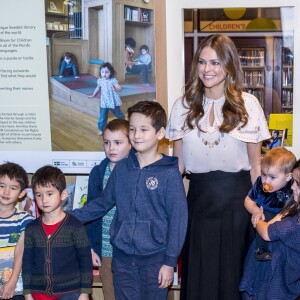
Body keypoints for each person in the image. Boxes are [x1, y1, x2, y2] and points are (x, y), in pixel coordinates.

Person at [166, 33, 270, 300]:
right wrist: (167, 207)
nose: (207, 69)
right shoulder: (182, 106)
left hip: (239, 203)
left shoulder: (249, 105)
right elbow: (178, 166)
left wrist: (260, 210)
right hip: (198, 203)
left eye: (214, 63)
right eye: (202, 62)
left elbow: (256, 168)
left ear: (229, 65)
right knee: (199, 276)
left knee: (232, 280)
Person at [71, 100, 188, 300]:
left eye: (144, 129)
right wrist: (66, 218)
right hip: (122, 259)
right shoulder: (122, 168)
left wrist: (169, 263)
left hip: (156, 261)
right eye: (133, 129)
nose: (136, 135)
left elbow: (178, 220)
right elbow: (102, 203)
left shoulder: (170, 173)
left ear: (160, 133)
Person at [22, 166, 93, 300]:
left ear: (63, 194)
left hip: (70, 293)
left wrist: (84, 293)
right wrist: (27, 293)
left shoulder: (76, 226)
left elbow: (85, 261)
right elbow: (27, 263)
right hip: (38, 293)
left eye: (49, 194)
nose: (44, 200)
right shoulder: (31, 228)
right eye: (39, 195)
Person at [240, 159, 300, 299]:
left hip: (276, 283)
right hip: (274, 274)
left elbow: (267, 233)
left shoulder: (294, 224)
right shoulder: (294, 208)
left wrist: (258, 219)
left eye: (297, 183)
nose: (292, 187)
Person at [86, 119, 131, 300]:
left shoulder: (137, 170)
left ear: (131, 143)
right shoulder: (98, 173)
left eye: (118, 143)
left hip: (130, 252)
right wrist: (90, 247)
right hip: (105, 252)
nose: (111, 148)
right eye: (107, 142)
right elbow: (90, 211)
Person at [244, 147, 296, 261]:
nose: (266, 181)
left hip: (285, 217)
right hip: (266, 214)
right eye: (263, 174)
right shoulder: (259, 183)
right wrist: (255, 210)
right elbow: (248, 200)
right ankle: (261, 249)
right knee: (261, 217)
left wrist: (282, 215)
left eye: (272, 177)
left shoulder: (293, 186)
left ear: (288, 177)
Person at [0, 162, 33, 300]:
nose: (6, 192)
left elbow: (21, 251)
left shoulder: (25, 220)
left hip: (15, 288)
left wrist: (12, 282)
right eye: (2, 186)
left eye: (13, 188)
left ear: (22, 193)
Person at [88, 62, 125, 136]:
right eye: (102, 72)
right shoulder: (100, 80)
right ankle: (101, 129)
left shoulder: (112, 80)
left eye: (106, 72)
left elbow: (119, 88)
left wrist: (115, 88)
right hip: (104, 102)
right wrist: (93, 95)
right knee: (102, 116)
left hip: (112, 101)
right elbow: (98, 88)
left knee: (118, 114)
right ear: (100, 72)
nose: (104, 74)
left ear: (111, 73)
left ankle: (123, 122)